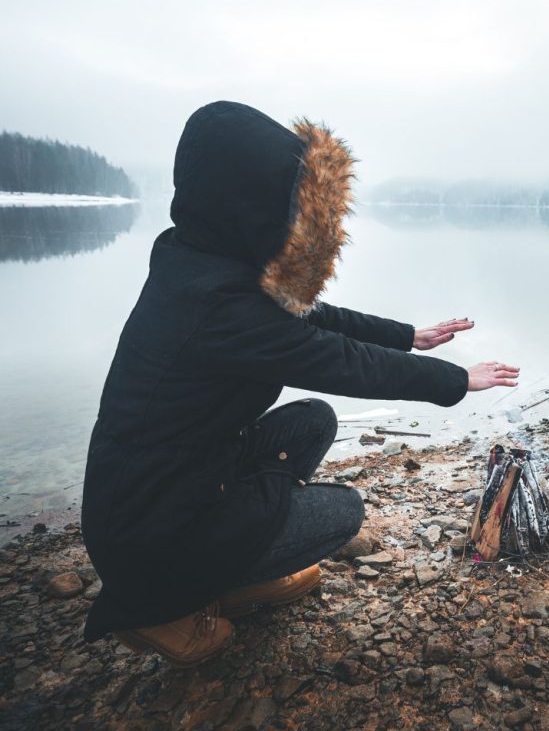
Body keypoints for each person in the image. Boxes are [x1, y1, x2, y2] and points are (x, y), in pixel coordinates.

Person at [80, 100, 519, 667]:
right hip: (149, 529)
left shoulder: (197, 258)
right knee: (340, 513)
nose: (299, 215)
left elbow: (310, 318)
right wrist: (458, 379)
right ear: (246, 198)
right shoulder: (217, 305)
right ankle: (160, 608)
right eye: (292, 199)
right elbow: (342, 362)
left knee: (312, 421)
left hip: (168, 483)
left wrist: (408, 336)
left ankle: (230, 578)